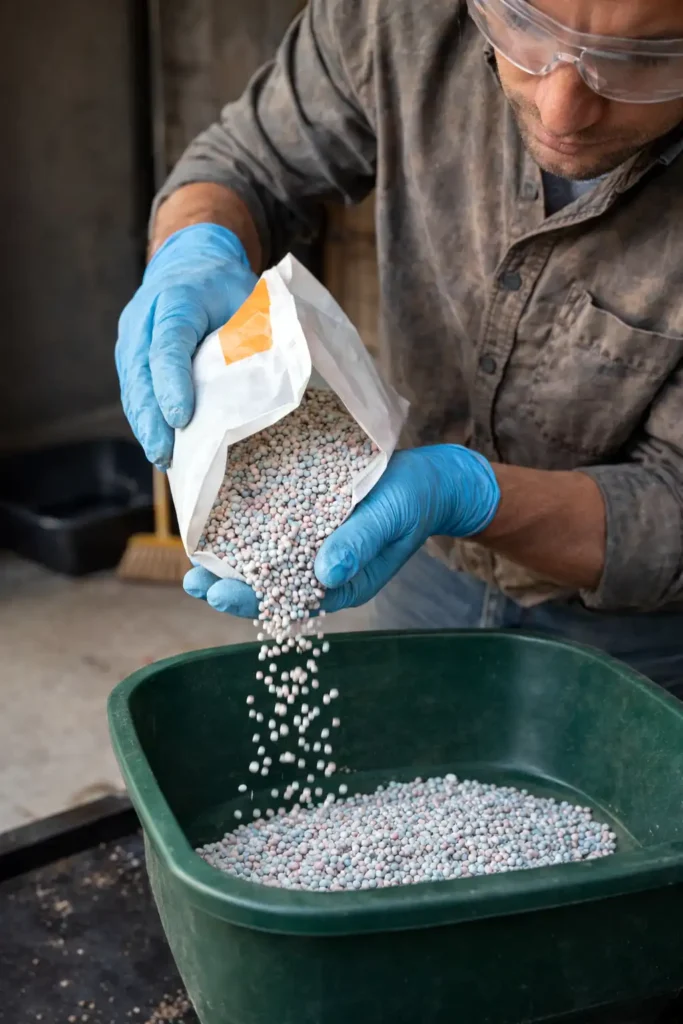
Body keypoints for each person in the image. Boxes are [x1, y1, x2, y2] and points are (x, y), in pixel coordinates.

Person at [116, 0, 683, 695]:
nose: (561, 110)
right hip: (417, 562)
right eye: (527, 29)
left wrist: (462, 494)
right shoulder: (400, 15)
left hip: (642, 637)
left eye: (642, 61)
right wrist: (195, 247)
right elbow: (246, 163)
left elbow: (672, 506)